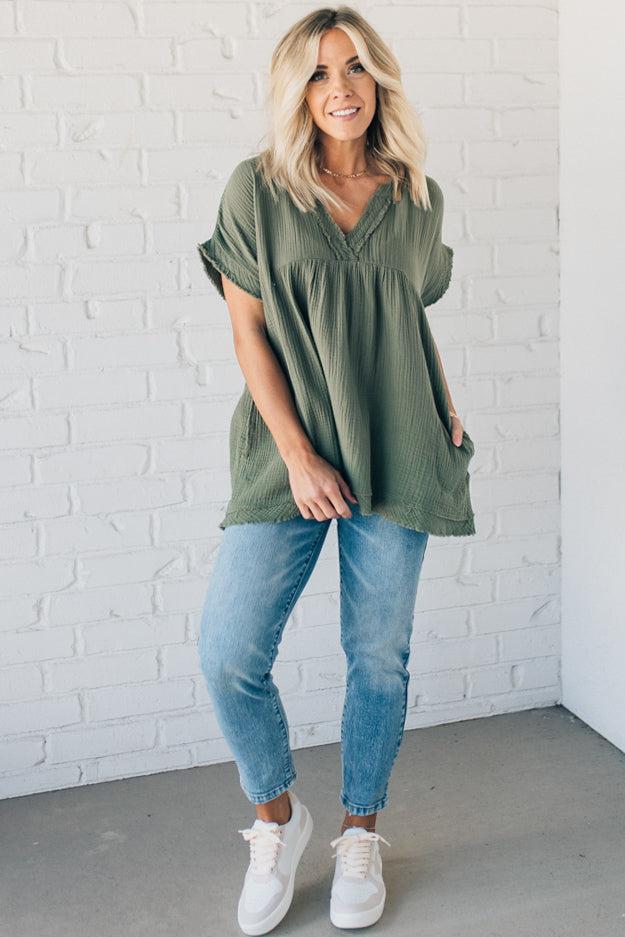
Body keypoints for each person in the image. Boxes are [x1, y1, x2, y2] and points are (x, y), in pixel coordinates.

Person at [196, 6, 476, 933]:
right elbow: (247, 330)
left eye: (355, 67)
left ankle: (360, 831)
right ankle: (278, 815)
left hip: (399, 445)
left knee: (377, 659)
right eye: (319, 73)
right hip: (288, 454)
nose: (341, 87)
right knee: (229, 652)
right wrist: (298, 453)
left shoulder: (417, 196)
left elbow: (404, 315)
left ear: (379, 78)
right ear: (296, 90)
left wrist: (441, 404)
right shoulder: (257, 189)